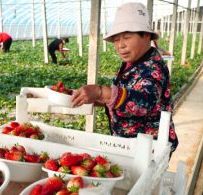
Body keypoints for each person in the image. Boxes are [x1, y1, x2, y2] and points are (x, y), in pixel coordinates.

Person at [70, 3, 178, 153]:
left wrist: (101, 91)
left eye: (127, 37)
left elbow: (145, 102)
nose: (120, 45)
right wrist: (95, 99)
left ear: (146, 36)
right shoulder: (131, 63)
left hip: (149, 149)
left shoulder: (154, 67)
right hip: (128, 144)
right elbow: (122, 96)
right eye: (116, 39)